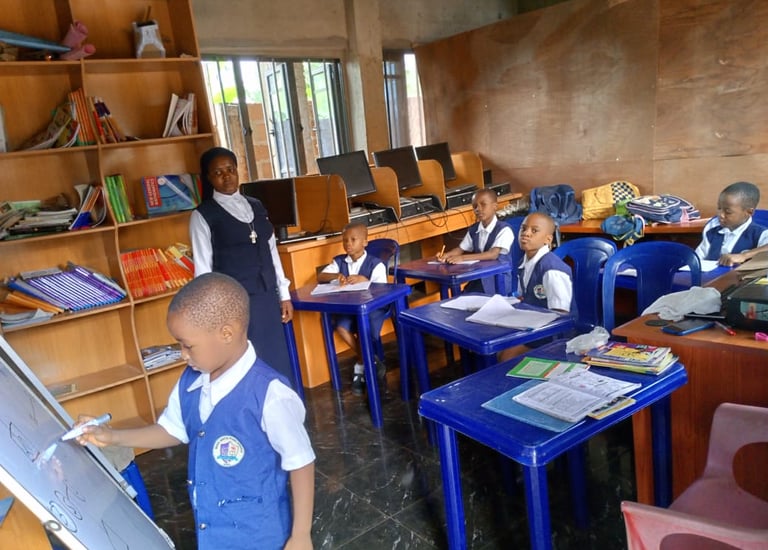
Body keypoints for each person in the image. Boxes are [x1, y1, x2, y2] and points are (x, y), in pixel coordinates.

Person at [75, 273, 315, 550]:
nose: (182, 355)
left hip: (261, 534)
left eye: (187, 345)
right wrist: (112, 437)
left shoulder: (270, 394)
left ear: (227, 333)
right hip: (213, 532)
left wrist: (301, 535)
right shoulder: (190, 382)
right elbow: (171, 429)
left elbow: (301, 462)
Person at [190, 146, 296, 388]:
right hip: (234, 305)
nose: (226, 176)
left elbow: (271, 252)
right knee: (248, 365)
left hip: (267, 298)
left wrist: (284, 294)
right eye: (218, 172)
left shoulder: (256, 205)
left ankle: (284, 414)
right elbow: (203, 270)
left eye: (230, 169)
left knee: (276, 359)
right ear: (208, 177)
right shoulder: (203, 215)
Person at [317, 221, 388, 395]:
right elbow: (321, 276)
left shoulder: (375, 264)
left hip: (373, 308)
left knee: (367, 331)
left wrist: (365, 280)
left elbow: (383, 290)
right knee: (341, 327)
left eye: (353, 240)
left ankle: (360, 366)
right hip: (350, 308)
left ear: (365, 242)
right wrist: (337, 275)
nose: (348, 244)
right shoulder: (340, 262)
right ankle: (370, 361)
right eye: (345, 240)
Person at [499, 212, 573, 362]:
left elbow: (561, 315)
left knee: (507, 355)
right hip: (531, 327)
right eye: (523, 229)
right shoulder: (524, 262)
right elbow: (522, 296)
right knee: (498, 346)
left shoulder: (551, 270)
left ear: (548, 239)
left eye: (534, 231)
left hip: (552, 335)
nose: (526, 234)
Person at [436, 187, 515, 294]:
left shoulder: (504, 229)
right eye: (475, 206)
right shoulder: (474, 229)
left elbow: (493, 254)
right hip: (478, 278)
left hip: (497, 280)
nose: (478, 209)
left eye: (483, 204)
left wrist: (462, 258)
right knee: (461, 298)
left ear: (495, 206)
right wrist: (447, 255)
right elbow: (460, 249)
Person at [695, 181, 768, 266]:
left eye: (728, 212)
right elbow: (698, 259)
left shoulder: (759, 234)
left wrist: (743, 256)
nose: (721, 215)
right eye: (719, 208)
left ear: (749, 212)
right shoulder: (712, 228)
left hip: (742, 278)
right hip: (711, 278)